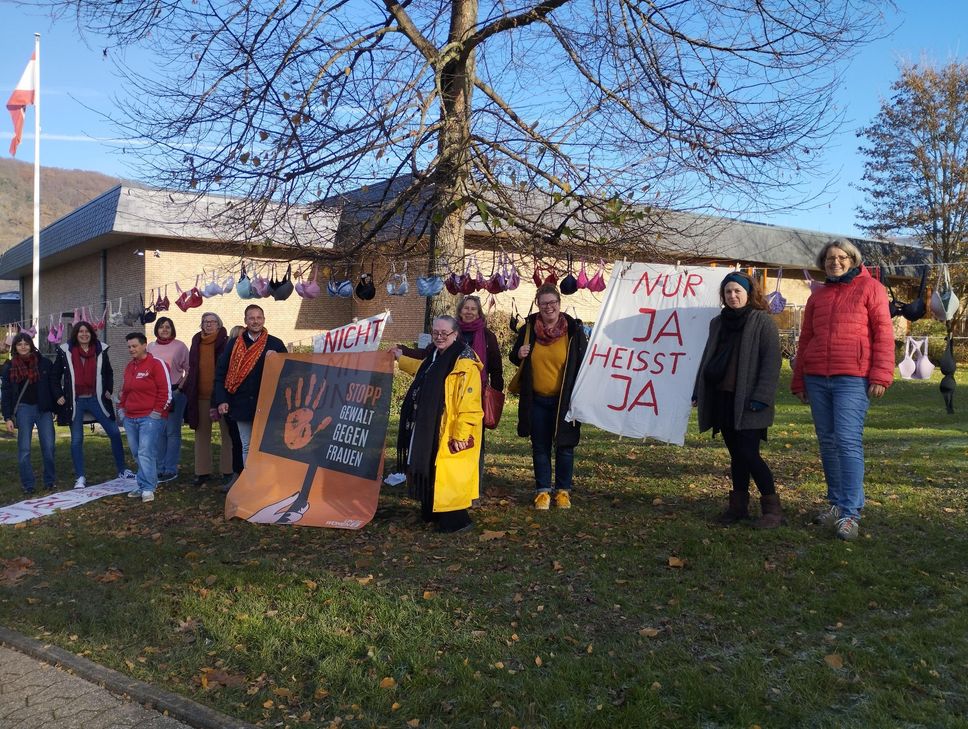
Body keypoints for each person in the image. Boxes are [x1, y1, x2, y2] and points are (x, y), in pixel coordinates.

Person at [792, 238, 894, 541]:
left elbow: (884, 334)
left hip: (853, 377)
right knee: (827, 441)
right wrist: (799, 378)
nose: (834, 262)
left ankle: (850, 512)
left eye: (841, 257)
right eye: (829, 258)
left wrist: (881, 374)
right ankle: (837, 503)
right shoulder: (818, 296)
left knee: (848, 441)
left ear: (852, 259)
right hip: (817, 378)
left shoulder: (871, 288)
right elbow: (806, 338)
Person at [693, 272, 783, 528]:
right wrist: (698, 389)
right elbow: (708, 355)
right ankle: (738, 507)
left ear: (748, 294)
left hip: (750, 400)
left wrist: (762, 397)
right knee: (736, 454)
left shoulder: (762, 322)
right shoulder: (717, 323)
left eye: (737, 291)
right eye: (728, 292)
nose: (732, 296)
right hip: (723, 396)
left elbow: (771, 363)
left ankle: (772, 509)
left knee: (749, 453)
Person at [393, 315, 483, 533]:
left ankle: (456, 522)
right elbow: (422, 370)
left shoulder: (465, 362)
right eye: (436, 333)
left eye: (444, 333)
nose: (440, 337)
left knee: (450, 478)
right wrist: (399, 358)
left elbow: (469, 404)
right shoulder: (435, 356)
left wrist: (461, 435)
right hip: (433, 425)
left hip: (452, 428)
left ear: (455, 334)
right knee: (433, 469)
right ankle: (432, 512)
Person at [509, 283, 588, 510]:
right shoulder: (528, 329)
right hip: (537, 399)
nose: (549, 307)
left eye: (553, 303)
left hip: (565, 400)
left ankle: (563, 491)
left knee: (565, 445)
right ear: (538, 305)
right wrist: (518, 353)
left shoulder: (573, 330)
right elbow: (515, 356)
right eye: (544, 304)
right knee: (540, 446)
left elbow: (584, 364)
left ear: (559, 304)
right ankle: (542, 490)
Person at [54, 321, 132, 487]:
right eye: (81, 331)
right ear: (76, 334)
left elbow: (108, 372)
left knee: (114, 433)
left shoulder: (100, 350)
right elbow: (54, 376)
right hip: (75, 401)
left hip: (96, 399)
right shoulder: (65, 351)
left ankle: (122, 470)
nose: (84, 334)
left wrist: (108, 389)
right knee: (76, 439)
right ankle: (80, 477)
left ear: (91, 333)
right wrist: (59, 395)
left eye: (87, 331)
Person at [213, 305, 286, 469]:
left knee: (266, 447)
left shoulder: (275, 343)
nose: (256, 321)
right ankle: (249, 485)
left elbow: (288, 373)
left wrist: (277, 360)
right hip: (241, 403)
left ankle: (266, 484)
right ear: (245, 321)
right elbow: (221, 373)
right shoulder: (234, 344)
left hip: (267, 404)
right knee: (246, 445)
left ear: (264, 319)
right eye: (251, 318)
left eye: (259, 317)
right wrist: (222, 400)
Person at [1, 333, 58, 494]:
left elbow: (52, 387)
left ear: (31, 345)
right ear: (15, 347)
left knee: (48, 446)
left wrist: (56, 408)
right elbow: (5, 394)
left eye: (26, 343)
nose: (23, 346)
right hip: (23, 409)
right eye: (19, 344)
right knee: (24, 449)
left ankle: (50, 480)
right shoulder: (10, 367)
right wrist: (7, 417)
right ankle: (28, 484)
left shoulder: (44, 363)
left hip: (43, 409)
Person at [118, 332, 172, 503]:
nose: (131, 349)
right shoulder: (129, 367)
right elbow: (125, 390)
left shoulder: (156, 364)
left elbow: (166, 391)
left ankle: (148, 488)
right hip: (130, 417)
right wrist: (121, 409)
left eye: (134, 346)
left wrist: (156, 412)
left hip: (150, 417)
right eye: (129, 347)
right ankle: (142, 484)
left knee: (145, 452)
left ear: (144, 345)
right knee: (137, 453)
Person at [183, 312, 233, 487]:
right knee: (201, 434)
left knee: (227, 434)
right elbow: (192, 368)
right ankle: (202, 472)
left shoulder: (227, 343)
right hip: (200, 395)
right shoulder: (196, 342)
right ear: (202, 325)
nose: (209, 325)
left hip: (222, 396)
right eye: (205, 322)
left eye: (212, 322)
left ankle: (228, 471)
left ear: (218, 325)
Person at [147, 316, 190, 481]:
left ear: (172, 329)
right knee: (159, 432)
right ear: (156, 329)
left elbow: (189, 368)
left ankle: (170, 469)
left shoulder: (180, 346)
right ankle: (159, 467)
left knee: (172, 432)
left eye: (168, 327)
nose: (164, 329)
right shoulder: (151, 347)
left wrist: (180, 388)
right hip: (156, 395)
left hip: (175, 392)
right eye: (161, 327)